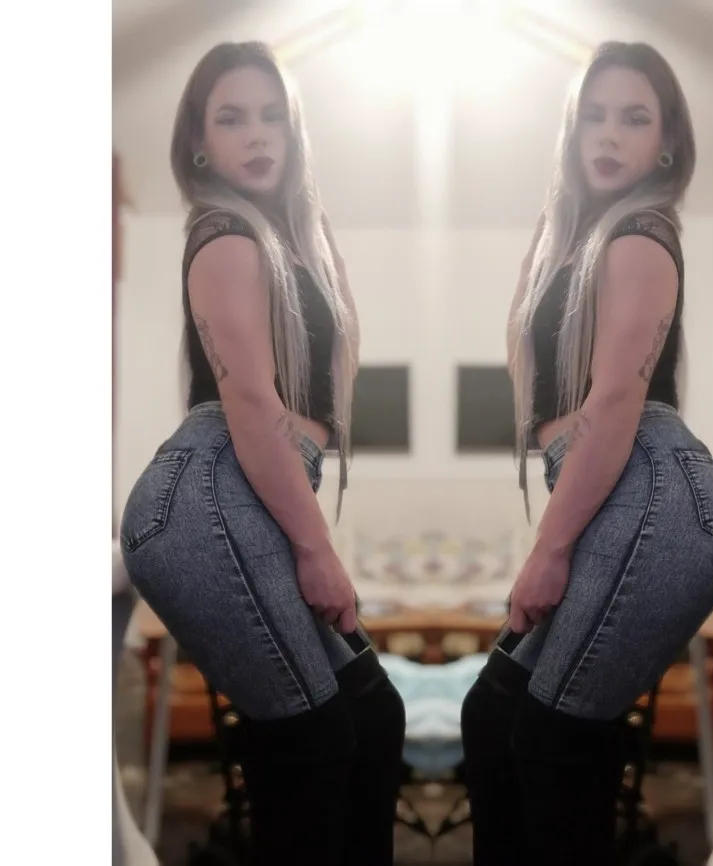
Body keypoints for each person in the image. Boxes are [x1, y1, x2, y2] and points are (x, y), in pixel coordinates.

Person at [119, 42, 405, 866]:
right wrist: (316, 549)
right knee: (313, 739)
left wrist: (311, 225)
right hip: (206, 497)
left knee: (373, 716)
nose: (257, 135)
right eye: (233, 118)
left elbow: (334, 368)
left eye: (273, 117)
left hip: (243, 492)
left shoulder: (284, 239)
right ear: (200, 142)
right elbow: (250, 404)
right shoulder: (225, 236)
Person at [461, 41, 713, 865]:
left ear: (666, 142)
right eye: (593, 117)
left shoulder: (640, 237)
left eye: (633, 118)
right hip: (622, 492)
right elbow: (529, 368)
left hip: (659, 496)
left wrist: (549, 550)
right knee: (492, 716)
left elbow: (615, 403)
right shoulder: (582, 239)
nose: (610, 135)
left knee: (552, 739)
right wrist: (555, 224)